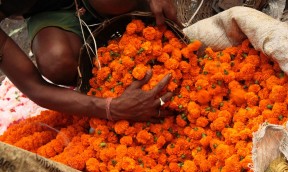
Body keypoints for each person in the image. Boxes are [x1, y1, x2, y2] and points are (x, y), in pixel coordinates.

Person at [0, 0, 180, 123]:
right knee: (57, 63)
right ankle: (105, 70)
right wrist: (111, 108)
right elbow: (34, 86)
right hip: (48, 12)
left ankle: (154, 25)